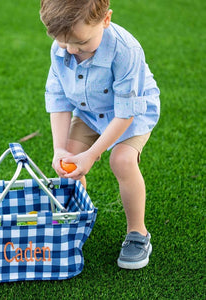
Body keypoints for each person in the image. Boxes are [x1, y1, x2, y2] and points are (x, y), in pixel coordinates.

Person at [40, 0, 160, 269]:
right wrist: (60, 150)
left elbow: (126, 112)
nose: (71, 50)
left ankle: (138, 234)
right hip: (90, 112)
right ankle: (74, 220)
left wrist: (92, 155)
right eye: (63, 42)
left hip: (129, 114)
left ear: (105, 20)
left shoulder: (125, 50)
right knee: (68, 162)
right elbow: (59, 99)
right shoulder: (62, 47)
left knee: (122, 161)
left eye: (81, 43)